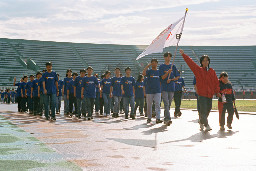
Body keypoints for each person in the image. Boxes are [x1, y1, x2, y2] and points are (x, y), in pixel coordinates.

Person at [180, 49, 220, 131]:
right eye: (204, 61)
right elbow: (191, 63)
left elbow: (216, 82)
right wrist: (184, 55)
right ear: (201, 62)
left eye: (207, 61)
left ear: (209, 62)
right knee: (203, 110)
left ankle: (201, 121)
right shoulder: (198, 70)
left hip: (209, 94)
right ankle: (206, 124)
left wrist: (217, 92)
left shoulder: (212, 71)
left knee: (208, 109)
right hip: (201, 95)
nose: (205, 62)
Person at [159, 52, 180, 124]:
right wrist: (168, 72)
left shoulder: (173, 66)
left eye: (169, 57)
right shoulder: (162, 66)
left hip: (171, 87)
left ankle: (165, 118)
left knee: (169, 103)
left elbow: (177, 77)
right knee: (166, 103)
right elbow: (162, 77)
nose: (168, 58)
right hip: (164, 87)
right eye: (167, 57)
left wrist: (171, 79)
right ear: (164, 57)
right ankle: (168, 118)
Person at [143, 59, 163, 124]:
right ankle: (149, 118)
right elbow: (143, 73)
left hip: (157, 90)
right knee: (149, 105)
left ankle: (158, 118)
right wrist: (147, 66)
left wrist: (161, 90)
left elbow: (161, 81)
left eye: (155, 63)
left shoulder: (159, 72)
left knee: (157, 104)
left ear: (157, 64)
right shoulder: (149, 71)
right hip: (149, 91)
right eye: (152, 63)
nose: (154, 64)